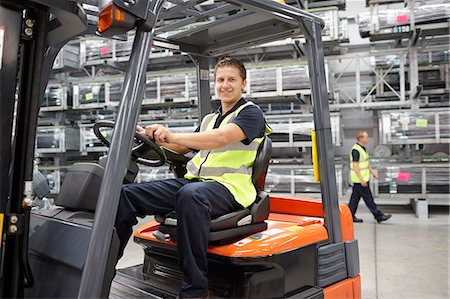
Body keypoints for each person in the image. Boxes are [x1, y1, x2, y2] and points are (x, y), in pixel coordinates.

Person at [114, 57, 271, 299]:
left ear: (244, 84)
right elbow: (185, 149)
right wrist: (152, 137)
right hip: (197, 183)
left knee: (189, 196)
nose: (225, 85)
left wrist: (173, 135)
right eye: (220, 80)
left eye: (232, 79)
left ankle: (196, 290)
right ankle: (104, 268)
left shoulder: (251, 114)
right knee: (127, 195)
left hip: (230, 189)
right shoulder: (210, 119)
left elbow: (220, 139)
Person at [348, 131, 391, 223]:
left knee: (354, 199)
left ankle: (349, 216)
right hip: (360, 180)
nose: (367, 139)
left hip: (362, 179)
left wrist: (372, 172)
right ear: (360, 138)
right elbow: (355, 166)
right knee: (368, 198)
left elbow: (366, 164)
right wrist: (361, 179)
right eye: (366, 137)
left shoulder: (363, 149)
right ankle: (378, 216)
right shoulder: (356, 150)